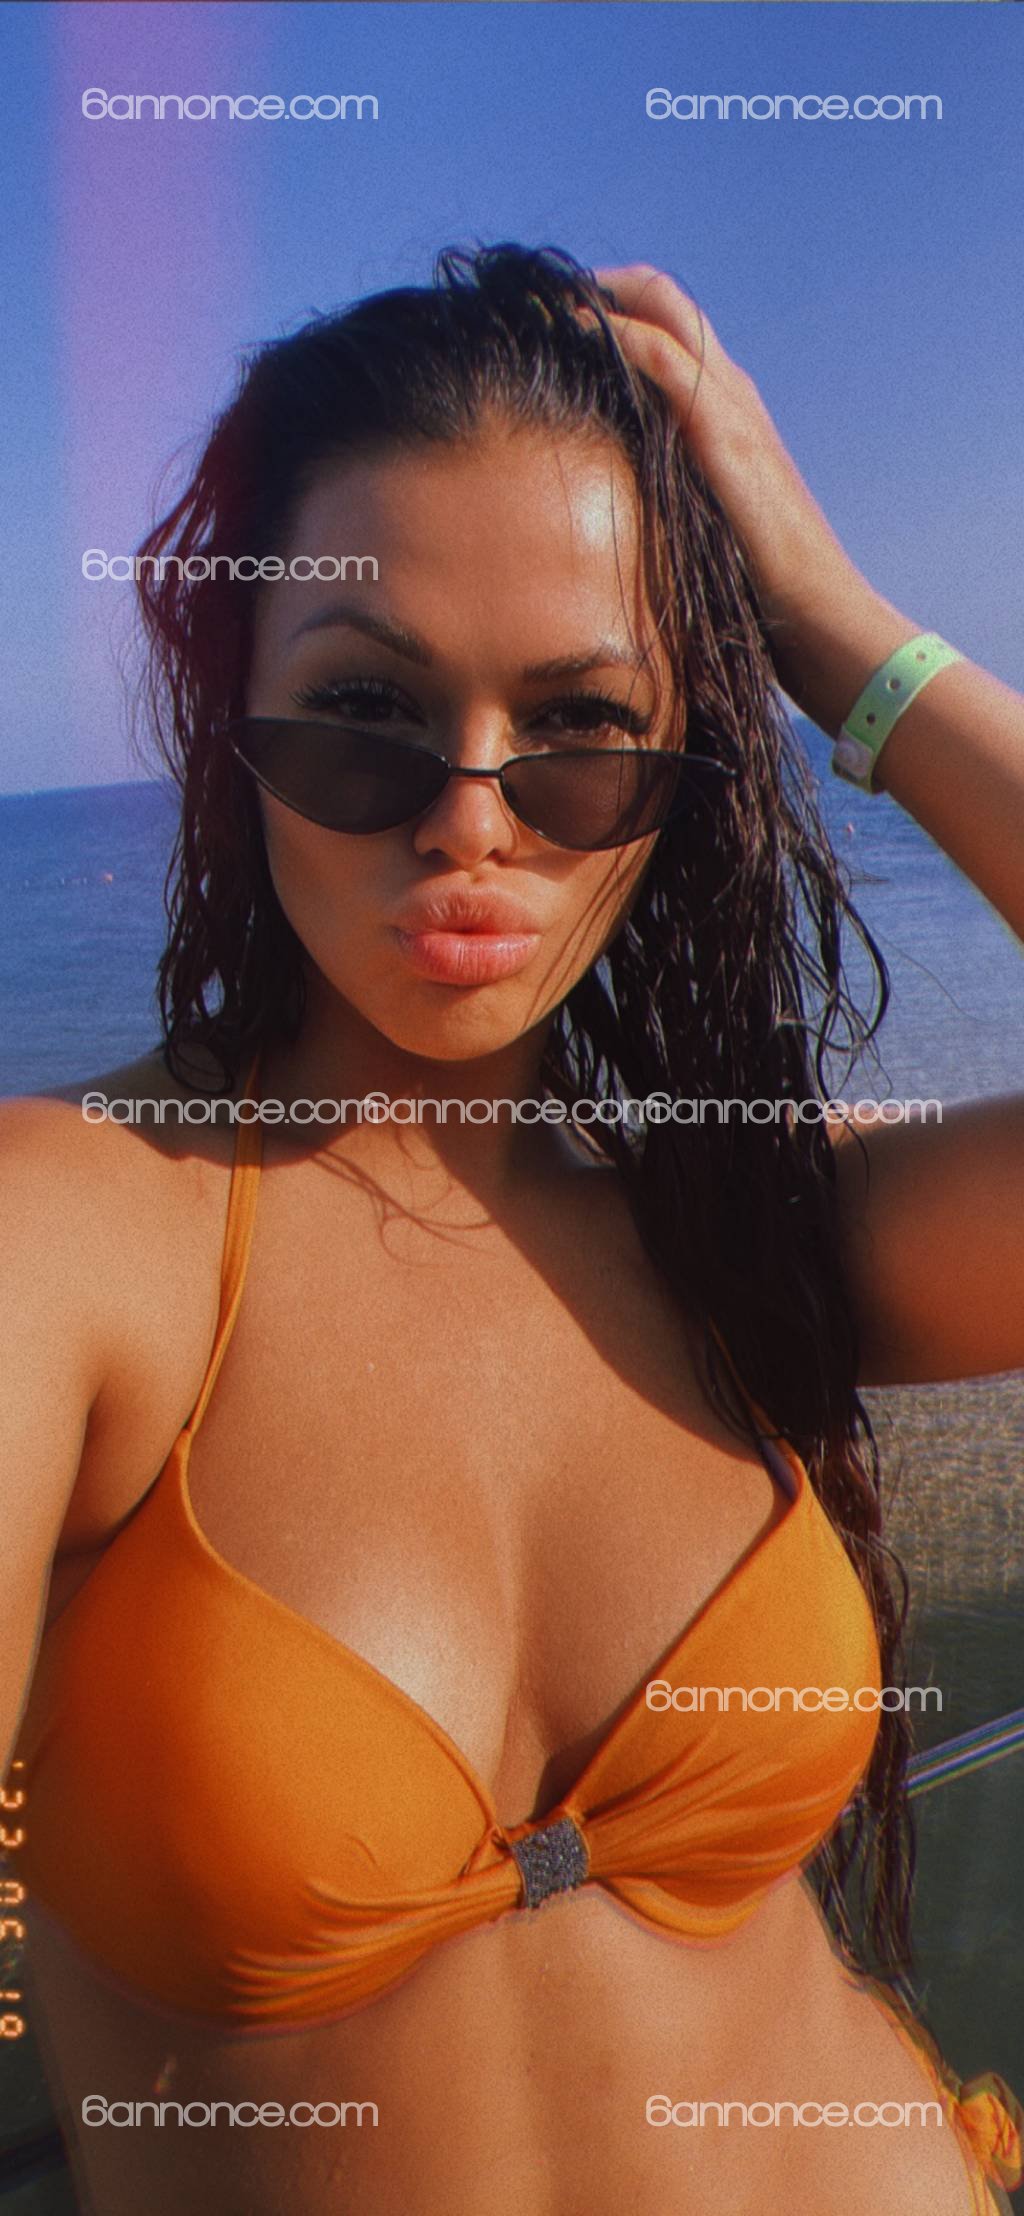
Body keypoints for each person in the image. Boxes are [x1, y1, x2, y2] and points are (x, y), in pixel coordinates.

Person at [2, 243, 1022, 2216]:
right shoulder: (75, 1244)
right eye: (363, 713)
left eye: (578, 727)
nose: (470, 815)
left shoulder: (740, 1225)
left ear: (680, 767)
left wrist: (836, 633)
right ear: (229, 719)